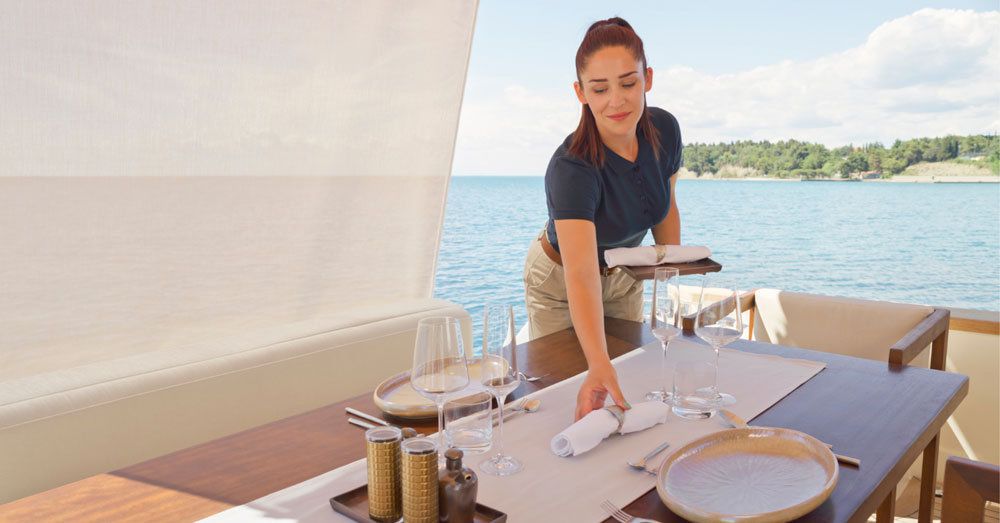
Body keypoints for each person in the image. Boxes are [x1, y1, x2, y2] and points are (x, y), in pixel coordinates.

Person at [522, 17, 682, 421]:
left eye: (628, 83)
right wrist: (598, 361)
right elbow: (580, 273)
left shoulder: (665, 129)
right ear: (581, 93)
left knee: (627, 386)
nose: (617, 101)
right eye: (600, 88)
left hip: (624, 274)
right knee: (566, 392)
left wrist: (670, 276)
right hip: (561, 280)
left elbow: (666, 208)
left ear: (647, 79)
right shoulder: (571, 167)